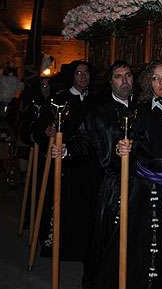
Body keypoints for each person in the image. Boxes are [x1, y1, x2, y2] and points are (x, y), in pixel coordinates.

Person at [52, 60, 144, 289]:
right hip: (112, 188)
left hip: (143, 186)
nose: (125, 81)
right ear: (110, 82)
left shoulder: (145, 108)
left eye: (128, 75)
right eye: (118, 77)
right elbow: (86, 141)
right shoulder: (99, 112)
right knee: (106, 242)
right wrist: (66, 150)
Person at [34, 60, 102, 289]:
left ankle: (84, 250)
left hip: (89, 167)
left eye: (86, 73)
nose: (83, 77)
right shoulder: (59, 101)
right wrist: (47, 131)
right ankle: (63, 248)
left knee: (87, 211)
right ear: (72, 77)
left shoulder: (96, 103)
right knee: (65, 208)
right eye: (79, 73)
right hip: (66, 166)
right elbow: (37, 129)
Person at [130, 61, 162, 288]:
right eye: (155, 78)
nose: (161, 82)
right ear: (148, 83)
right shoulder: (140, 113)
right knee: (146, 245)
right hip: (147, 192)